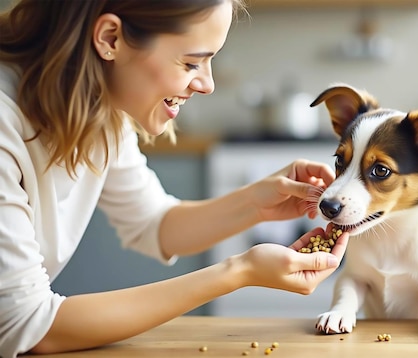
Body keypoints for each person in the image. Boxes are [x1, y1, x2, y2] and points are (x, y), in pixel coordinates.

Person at [0, 0, 349, 356]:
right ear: (110, 38)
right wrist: (239, 272)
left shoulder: (98, 107)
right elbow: (25, 322)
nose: (207, 84)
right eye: (191, 62)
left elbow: (154, 223)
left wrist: (255, 203)